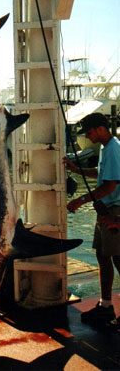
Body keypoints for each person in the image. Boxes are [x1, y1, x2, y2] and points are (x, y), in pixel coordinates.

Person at [65, 112, 120, 328]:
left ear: (99, 128)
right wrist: (77, 170)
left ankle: (107, 306)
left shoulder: (114, 148)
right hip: (105, 209)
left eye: (89, 132)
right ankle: (106, 305)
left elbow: (110, 186)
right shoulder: (106, 149)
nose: (88, 137)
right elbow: (101, 174)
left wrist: (81, 200)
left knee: (118, 259)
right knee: (102, 256)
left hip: (114, 211)